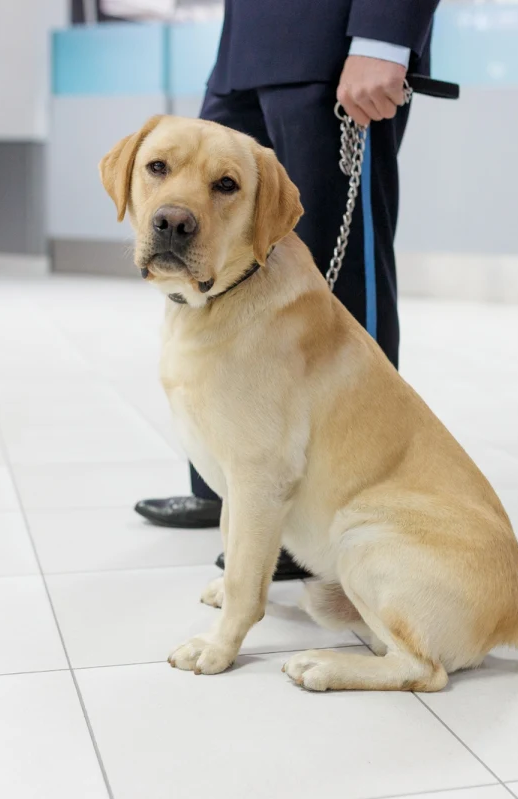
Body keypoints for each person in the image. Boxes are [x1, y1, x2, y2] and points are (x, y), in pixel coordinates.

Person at [134, 0, 442, 580]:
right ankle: (225, 487)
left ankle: (331, 511)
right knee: (216, 268)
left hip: (334, 44)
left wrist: (382, 36)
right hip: (244, 46)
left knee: (334, 278)